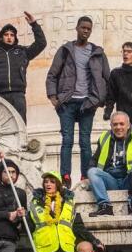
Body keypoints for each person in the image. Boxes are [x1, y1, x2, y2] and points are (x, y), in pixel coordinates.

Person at [46, 16, 110, 187]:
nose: (85, 31)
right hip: (67, 102)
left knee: (85, 141)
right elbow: (52, 74)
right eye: (83, 27)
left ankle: (85, 175)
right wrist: (54, 97)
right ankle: (65, 176)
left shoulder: (97, 52)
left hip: (87, 103)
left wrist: (100, 100)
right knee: (67, 140)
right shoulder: (66, 50)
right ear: (77, 28)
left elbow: (106, 78)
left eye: (88, 29)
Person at [0, 12, 47, 120]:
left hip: (18, 95)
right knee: (1, 128)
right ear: (1, 38)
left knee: (20, 128)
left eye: (12, 35)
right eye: (6, 35)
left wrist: (34, 25)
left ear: (15, 37)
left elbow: (41, 43)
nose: (9, 37)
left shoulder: (22, 52)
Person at [86, 112, 132, 217]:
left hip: (129, 180)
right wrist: (87, 177)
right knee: (92, 171)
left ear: (128, 125)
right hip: (110, 181)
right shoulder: (104, 137)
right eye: (115, 124)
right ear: (111, 126)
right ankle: (105, 206)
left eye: (121, 124)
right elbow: (94, 159)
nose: (118, 127)